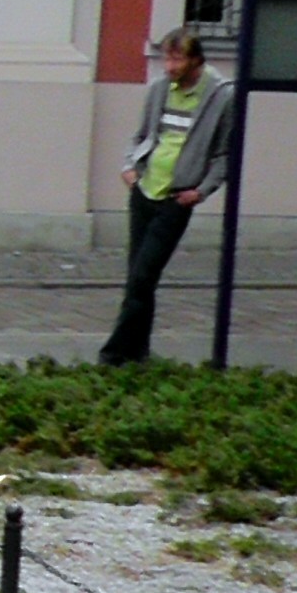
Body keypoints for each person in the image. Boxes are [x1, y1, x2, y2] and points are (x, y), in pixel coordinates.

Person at [101, 27, 236, 366]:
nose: (170, 65)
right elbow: (143, 134)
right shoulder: (160, 89)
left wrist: (201, 191)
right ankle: (138, 353)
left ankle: (115, 353)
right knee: (138, 278)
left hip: (176, 199)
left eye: (177, 58)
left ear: (195, 60)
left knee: (143, 275)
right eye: (166, 57)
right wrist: (130, 166)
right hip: (144, 190)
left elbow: (224, 154)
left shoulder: (221, 96)